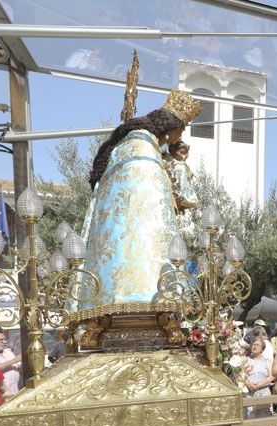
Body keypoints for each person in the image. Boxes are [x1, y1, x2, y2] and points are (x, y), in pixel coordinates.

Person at [81, 89, 200, 318]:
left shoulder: (143, 144)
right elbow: (148, 195)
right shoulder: (141, 146)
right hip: (136, 239)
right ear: (171, 127)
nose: (179, 138)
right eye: (180, 131)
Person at [242, 337, 273, 426]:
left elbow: (270, 376)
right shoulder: (245, 360)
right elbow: (241, 375)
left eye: (257, 345)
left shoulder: (267, 361)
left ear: (262, 348)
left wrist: (259, 385)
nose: (254, 347)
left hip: (262, 391)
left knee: (263, 419)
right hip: (248, 392)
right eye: (253, 344)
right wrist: (248, 384)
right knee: (248, 418)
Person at [162, 140, 199, 232]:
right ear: (174, 150)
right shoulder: (169, 162)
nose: (183, 155)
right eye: (181, 152)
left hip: (184, 199)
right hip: (174, 195)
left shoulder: (183, 165)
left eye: (185, 153)